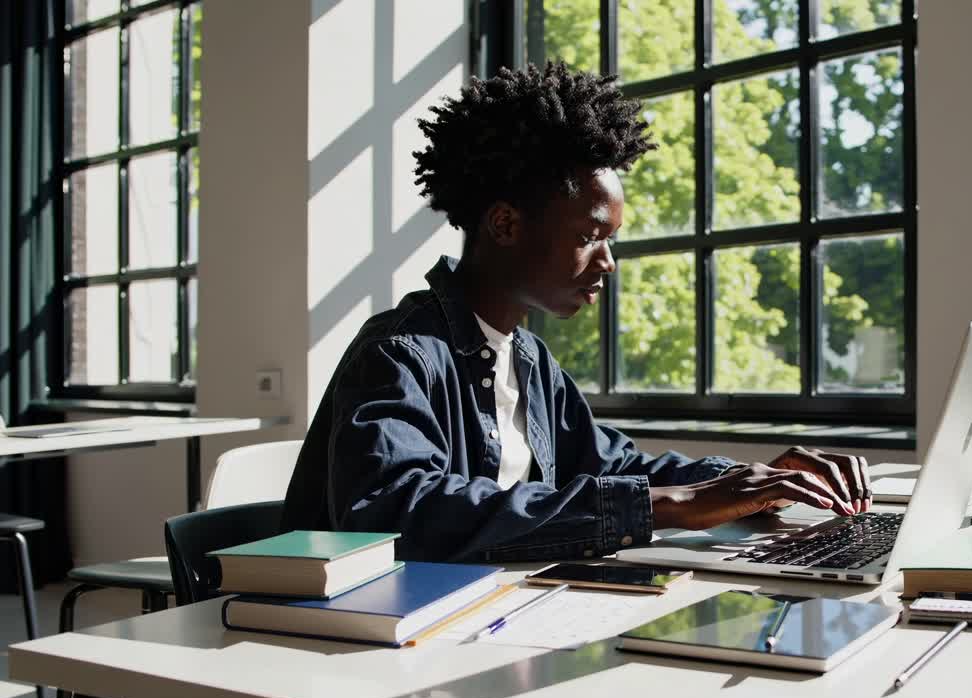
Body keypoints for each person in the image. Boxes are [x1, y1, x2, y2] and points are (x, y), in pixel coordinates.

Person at [281, 62, 873, 563]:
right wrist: (669, 507)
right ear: (506, 224)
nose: (608, 262)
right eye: (591, 235)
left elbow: (616, 463)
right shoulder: (399, 352)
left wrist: (748, 481)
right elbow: (397, 511)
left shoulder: (529, 360)